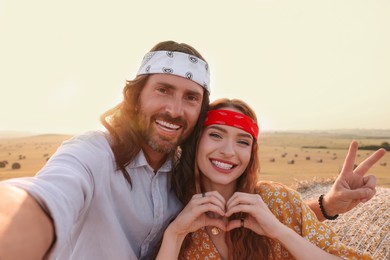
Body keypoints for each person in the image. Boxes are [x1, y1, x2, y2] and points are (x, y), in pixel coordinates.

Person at [0, 41, 385, 259]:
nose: (173, 109)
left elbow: (268, 215)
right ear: (135, 98)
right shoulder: (94, 155)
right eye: (162, 90)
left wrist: (324, 207)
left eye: (190, 97)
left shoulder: (192, 186)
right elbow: (43, 197)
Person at [157, 98, 383, 259]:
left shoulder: (277, 200)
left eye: (243, 141)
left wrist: (279, 231)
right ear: (196, 142)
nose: (228, 151)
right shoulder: (173, 212)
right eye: (216, 135)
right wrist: (175, 233)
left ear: (252, 153)